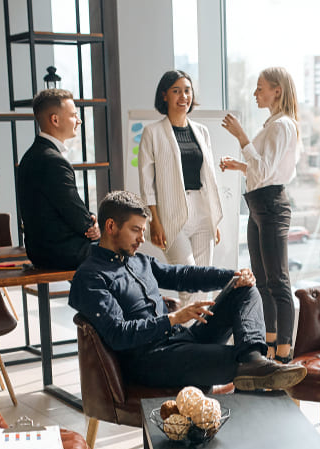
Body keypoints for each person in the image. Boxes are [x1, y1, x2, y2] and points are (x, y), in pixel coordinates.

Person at [69, 190, 306, 391]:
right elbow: (118, 334)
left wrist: (232, 277)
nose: (142, 239)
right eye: (135, 230)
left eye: (143, 230)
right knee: (236, 360)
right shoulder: (90, 277)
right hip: (152, 360)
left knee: (245, 290)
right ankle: (253, 367)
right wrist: (173, 319)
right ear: (111, 226)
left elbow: (182, 275)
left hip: (182, 340)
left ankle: (254, 359)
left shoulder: (139, 260)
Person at [220, 66, 301, 363]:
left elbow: (267, 172)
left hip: (270, 205)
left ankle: (283, 354)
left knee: (277, 280)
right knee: (263, 281)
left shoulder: (282, 126)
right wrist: (239, 166)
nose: (255, 93)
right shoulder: (273, 124)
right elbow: (264, 168)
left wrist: (242, 137)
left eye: (260, 87)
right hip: (257, 203)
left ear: (276, 90)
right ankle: (268, 348)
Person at [138, 70, 223, 270]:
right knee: (186, 279)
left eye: (187, 90)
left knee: (204, 280)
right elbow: (146, 182)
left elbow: (209, 177)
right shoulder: (152, 132)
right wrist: (154, 221)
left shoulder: (202, 132)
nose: (183, 96)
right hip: (171, 214)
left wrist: (214, 219)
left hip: (202, 212)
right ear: (164, 95)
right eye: (176, 91)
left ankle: (199, 304)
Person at [17, 88, 101, 269]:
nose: (79, 121)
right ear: (55, 120)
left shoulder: (30, 156)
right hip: (63, 252)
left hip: (40, 251)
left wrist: (90, 219)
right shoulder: (53, 161)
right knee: (124, 252)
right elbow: (75, 215)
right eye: (73, 115)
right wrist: (92, 225)